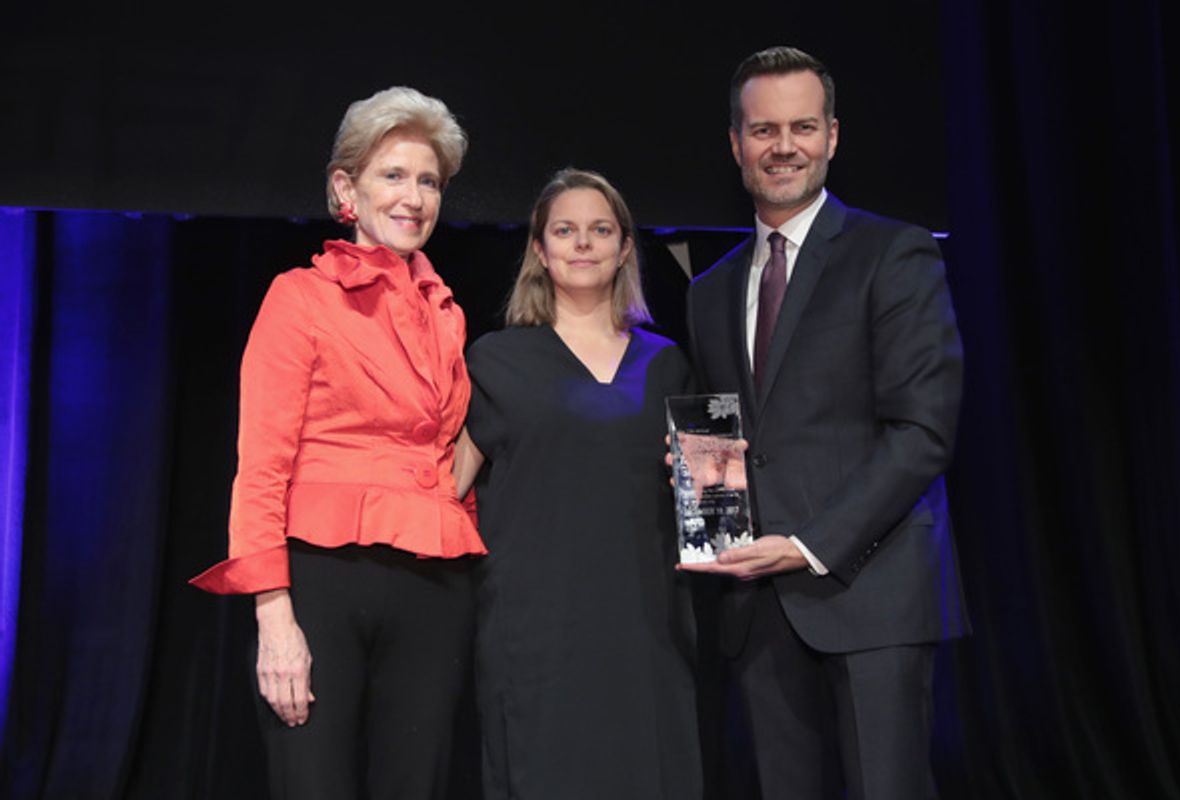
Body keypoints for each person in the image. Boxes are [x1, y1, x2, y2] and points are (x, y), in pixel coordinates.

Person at [680, 47, 970, 800]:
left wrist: (809, 545)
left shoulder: (894, 253)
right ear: (736, 143)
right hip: (758, 612)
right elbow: (720, 437)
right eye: (764, 129)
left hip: (872, 591)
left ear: (832, 135)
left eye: (802, 127)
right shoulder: (709, 293)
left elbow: (923, 431)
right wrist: (714, 528)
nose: (784, 147)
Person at [189, 86, 485, 799]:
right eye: (393, 175)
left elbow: (446, 454)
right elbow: (260, 467)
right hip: (320, 579)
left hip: (435, 584)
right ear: (345, 189)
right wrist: (273, 615)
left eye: (428, 181)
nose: (413, 197)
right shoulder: (299, 297)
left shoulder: (447, 311)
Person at [454, 168, 703, 800]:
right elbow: (447, 486)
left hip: (643, 622)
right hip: (535, 626)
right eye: (565, 230)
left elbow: (705, 496)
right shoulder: (494, 360)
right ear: (540, 249)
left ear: (625, 248)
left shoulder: (668, 362)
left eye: (600, 230)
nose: (583, 243)